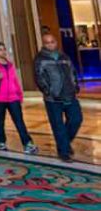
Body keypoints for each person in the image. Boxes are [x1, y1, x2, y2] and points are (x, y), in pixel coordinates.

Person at [34, 31, 82, 162]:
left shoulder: (64, 56)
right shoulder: (40, 59)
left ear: (56, 42)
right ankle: (64, 151)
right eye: (47, 42)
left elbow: (72, 72)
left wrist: (75, 86)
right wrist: (48, 91)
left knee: (76, 119)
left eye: (52, 41)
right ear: (44, 44)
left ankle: (64, 144)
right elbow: (39, 77)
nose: (50, 44)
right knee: (58, 125)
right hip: (53, 98)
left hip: (70, 94)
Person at [0, 42, 38, 155]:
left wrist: (19, 94)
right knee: (0, 121)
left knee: (19, 121)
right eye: (0, 50)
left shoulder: (10, 65)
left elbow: (14, 81)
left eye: (4, 49)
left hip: (13, 98)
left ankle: (27, 143)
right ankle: (1, 142)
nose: (3, 52)